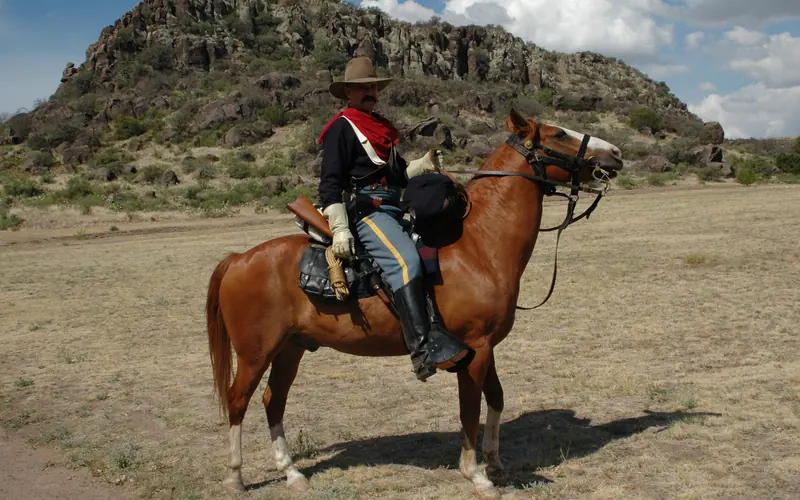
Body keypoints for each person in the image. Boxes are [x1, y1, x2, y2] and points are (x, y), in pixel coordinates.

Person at [316, 56, 471, 382]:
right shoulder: (341, 128)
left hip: (395, 207)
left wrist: (424, 164)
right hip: (368, 212)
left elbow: (399, 176)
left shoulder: (382, 128)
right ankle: (423, 349)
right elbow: (329, 184)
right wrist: (340, 229)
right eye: (363, 88)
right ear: (348, 92)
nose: (370, 92)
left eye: (374, 87)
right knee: (406, 262)